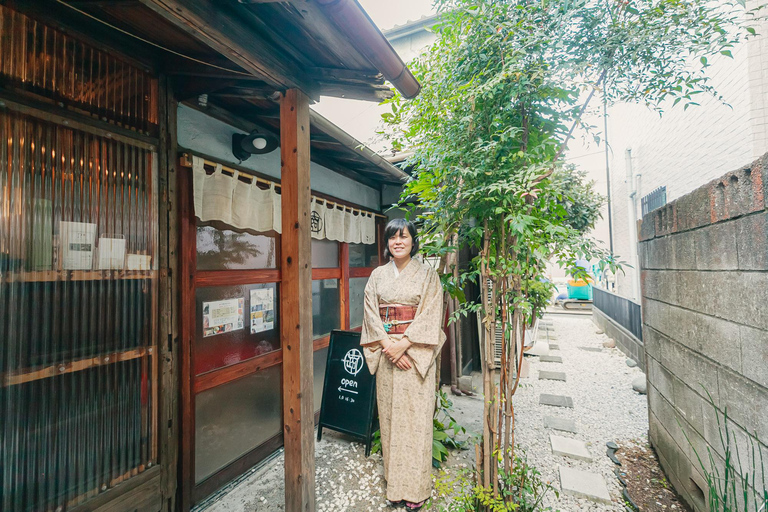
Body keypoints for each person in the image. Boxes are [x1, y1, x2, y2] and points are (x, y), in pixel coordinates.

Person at [360, 218, 445, 510]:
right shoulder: (377, 276)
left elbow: (431, 314)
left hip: (415, 357)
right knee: (391, 419)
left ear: (413, 241)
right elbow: (371, 312)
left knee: (416, 422)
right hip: (388, 357)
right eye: (393, 238)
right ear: (387, 243)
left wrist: (405, 344)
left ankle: (416, 489)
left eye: (404, 237)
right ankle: (395, 486)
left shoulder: (428, 275)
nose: (398, 242)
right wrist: (387, 345)